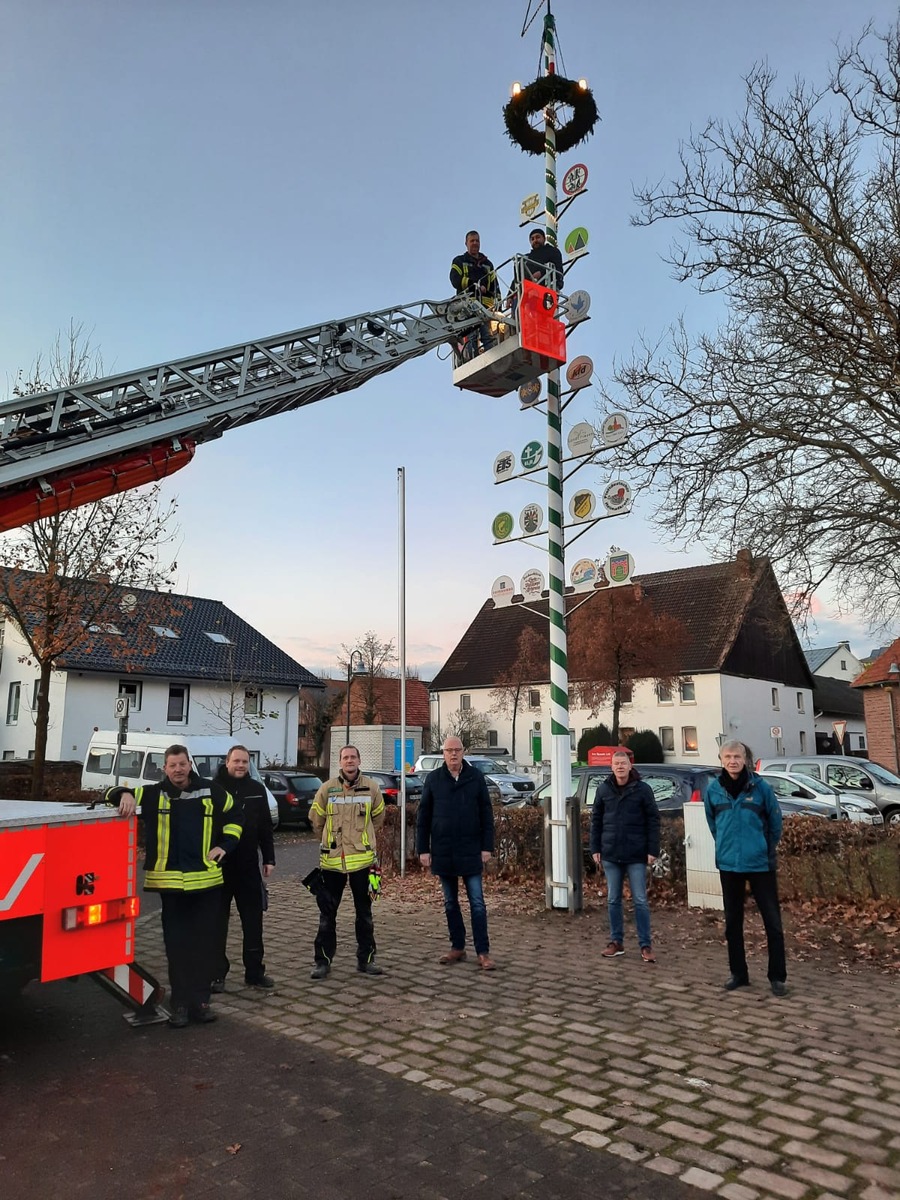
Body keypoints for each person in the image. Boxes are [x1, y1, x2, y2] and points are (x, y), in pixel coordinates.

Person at [108, 745, 241, 1027]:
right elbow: (111, 794)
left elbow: (235, 815)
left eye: (182, 764)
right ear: (164, 769)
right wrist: (125, 794)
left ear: (189, 765)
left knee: (204, 945)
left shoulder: (212, 791)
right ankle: (180, 1003)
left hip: (207, 883)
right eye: (172, 765)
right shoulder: (154, 793)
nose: (178, 770)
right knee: (177, 946)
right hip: (171, 886)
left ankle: (201, 1001)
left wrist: (225, 845)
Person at [704, 740, 787, 996]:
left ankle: (777, 977)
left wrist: (763, 847)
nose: (732, 761)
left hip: (760, 864)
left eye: (737, 756)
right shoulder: (713, 790)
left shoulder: (760, 788)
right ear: (721, 759)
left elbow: (775, 824)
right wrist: (726, 847)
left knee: (772, 922)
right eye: (727, 756)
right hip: (729, 865)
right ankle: (738, 973)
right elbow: (713, 824)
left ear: (745, 759)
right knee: (732, 922)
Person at [416, 737, 496, 970]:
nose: (453, 754)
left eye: (457, 750)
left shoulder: (475, 778)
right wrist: (423, 849)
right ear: (443, 753)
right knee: (451, 902)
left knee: (477, 902)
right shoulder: (433, 779)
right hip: (443, 850)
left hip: (471, 849)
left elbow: (486, 813)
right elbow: (424, 818)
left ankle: (483, 952)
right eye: (449, 750)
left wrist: (486, 846)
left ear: (463, 752)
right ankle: (457, 946)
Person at [308, 745, 386, 979]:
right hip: (332, 863)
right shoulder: (327, 788)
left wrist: (364, 840)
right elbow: (316, 820)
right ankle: (322, 962)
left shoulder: (372, 787)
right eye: (345, 757)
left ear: (359, 760)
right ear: (340, 762)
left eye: (353, 757)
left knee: (365, 913)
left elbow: (379, 818)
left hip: (364, 862)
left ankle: (367, 960)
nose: (349, 760)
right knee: (327, 915)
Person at [211, 745, 276, 993]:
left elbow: (265, 829)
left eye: (245, 762)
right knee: (217, 924)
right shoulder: (213, 789)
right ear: (226, 761)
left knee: (253, 922)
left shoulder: (257, 790)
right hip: (219, 868)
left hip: (248, 867)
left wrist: (268, 859)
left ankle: (254, 972)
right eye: (236, 761)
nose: (240, 765)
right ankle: (216, 973)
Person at [590, 750, 660, 963]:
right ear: (611, 767)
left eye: (623, 763)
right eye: (616, 763)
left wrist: (652, 850)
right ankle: (616, 942)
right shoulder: (603, 790)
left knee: (640, 900)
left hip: (636, 854)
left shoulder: (643, 790)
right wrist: (595, 848)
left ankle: (645, 945)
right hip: (610, 853)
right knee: (613, 899)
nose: (620, 767)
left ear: (630, 766)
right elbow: (596, 820)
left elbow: (653, 820)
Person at [449, 230, 500, 357]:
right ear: (466, 243)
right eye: (472, 241)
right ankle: (472, 358)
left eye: (477, 240)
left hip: (485, 308)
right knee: (471, 335)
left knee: (487, 335)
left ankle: (491, 359)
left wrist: (499, 305)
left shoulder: (488, 264)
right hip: (467, 306)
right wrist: (474, 285)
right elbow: (455, 280)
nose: (475, 243)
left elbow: (495, 286)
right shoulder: (459, 261)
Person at [524, 228, 564, 292]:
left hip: (547, 289)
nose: (535, 240)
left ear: (544, 239)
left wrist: (541, 273)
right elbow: (518, 277)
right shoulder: (526, 258)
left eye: (538, 237)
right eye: (532, 239)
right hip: (528, 291)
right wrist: (510, 295)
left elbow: (558, 271)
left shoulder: (552, 251)